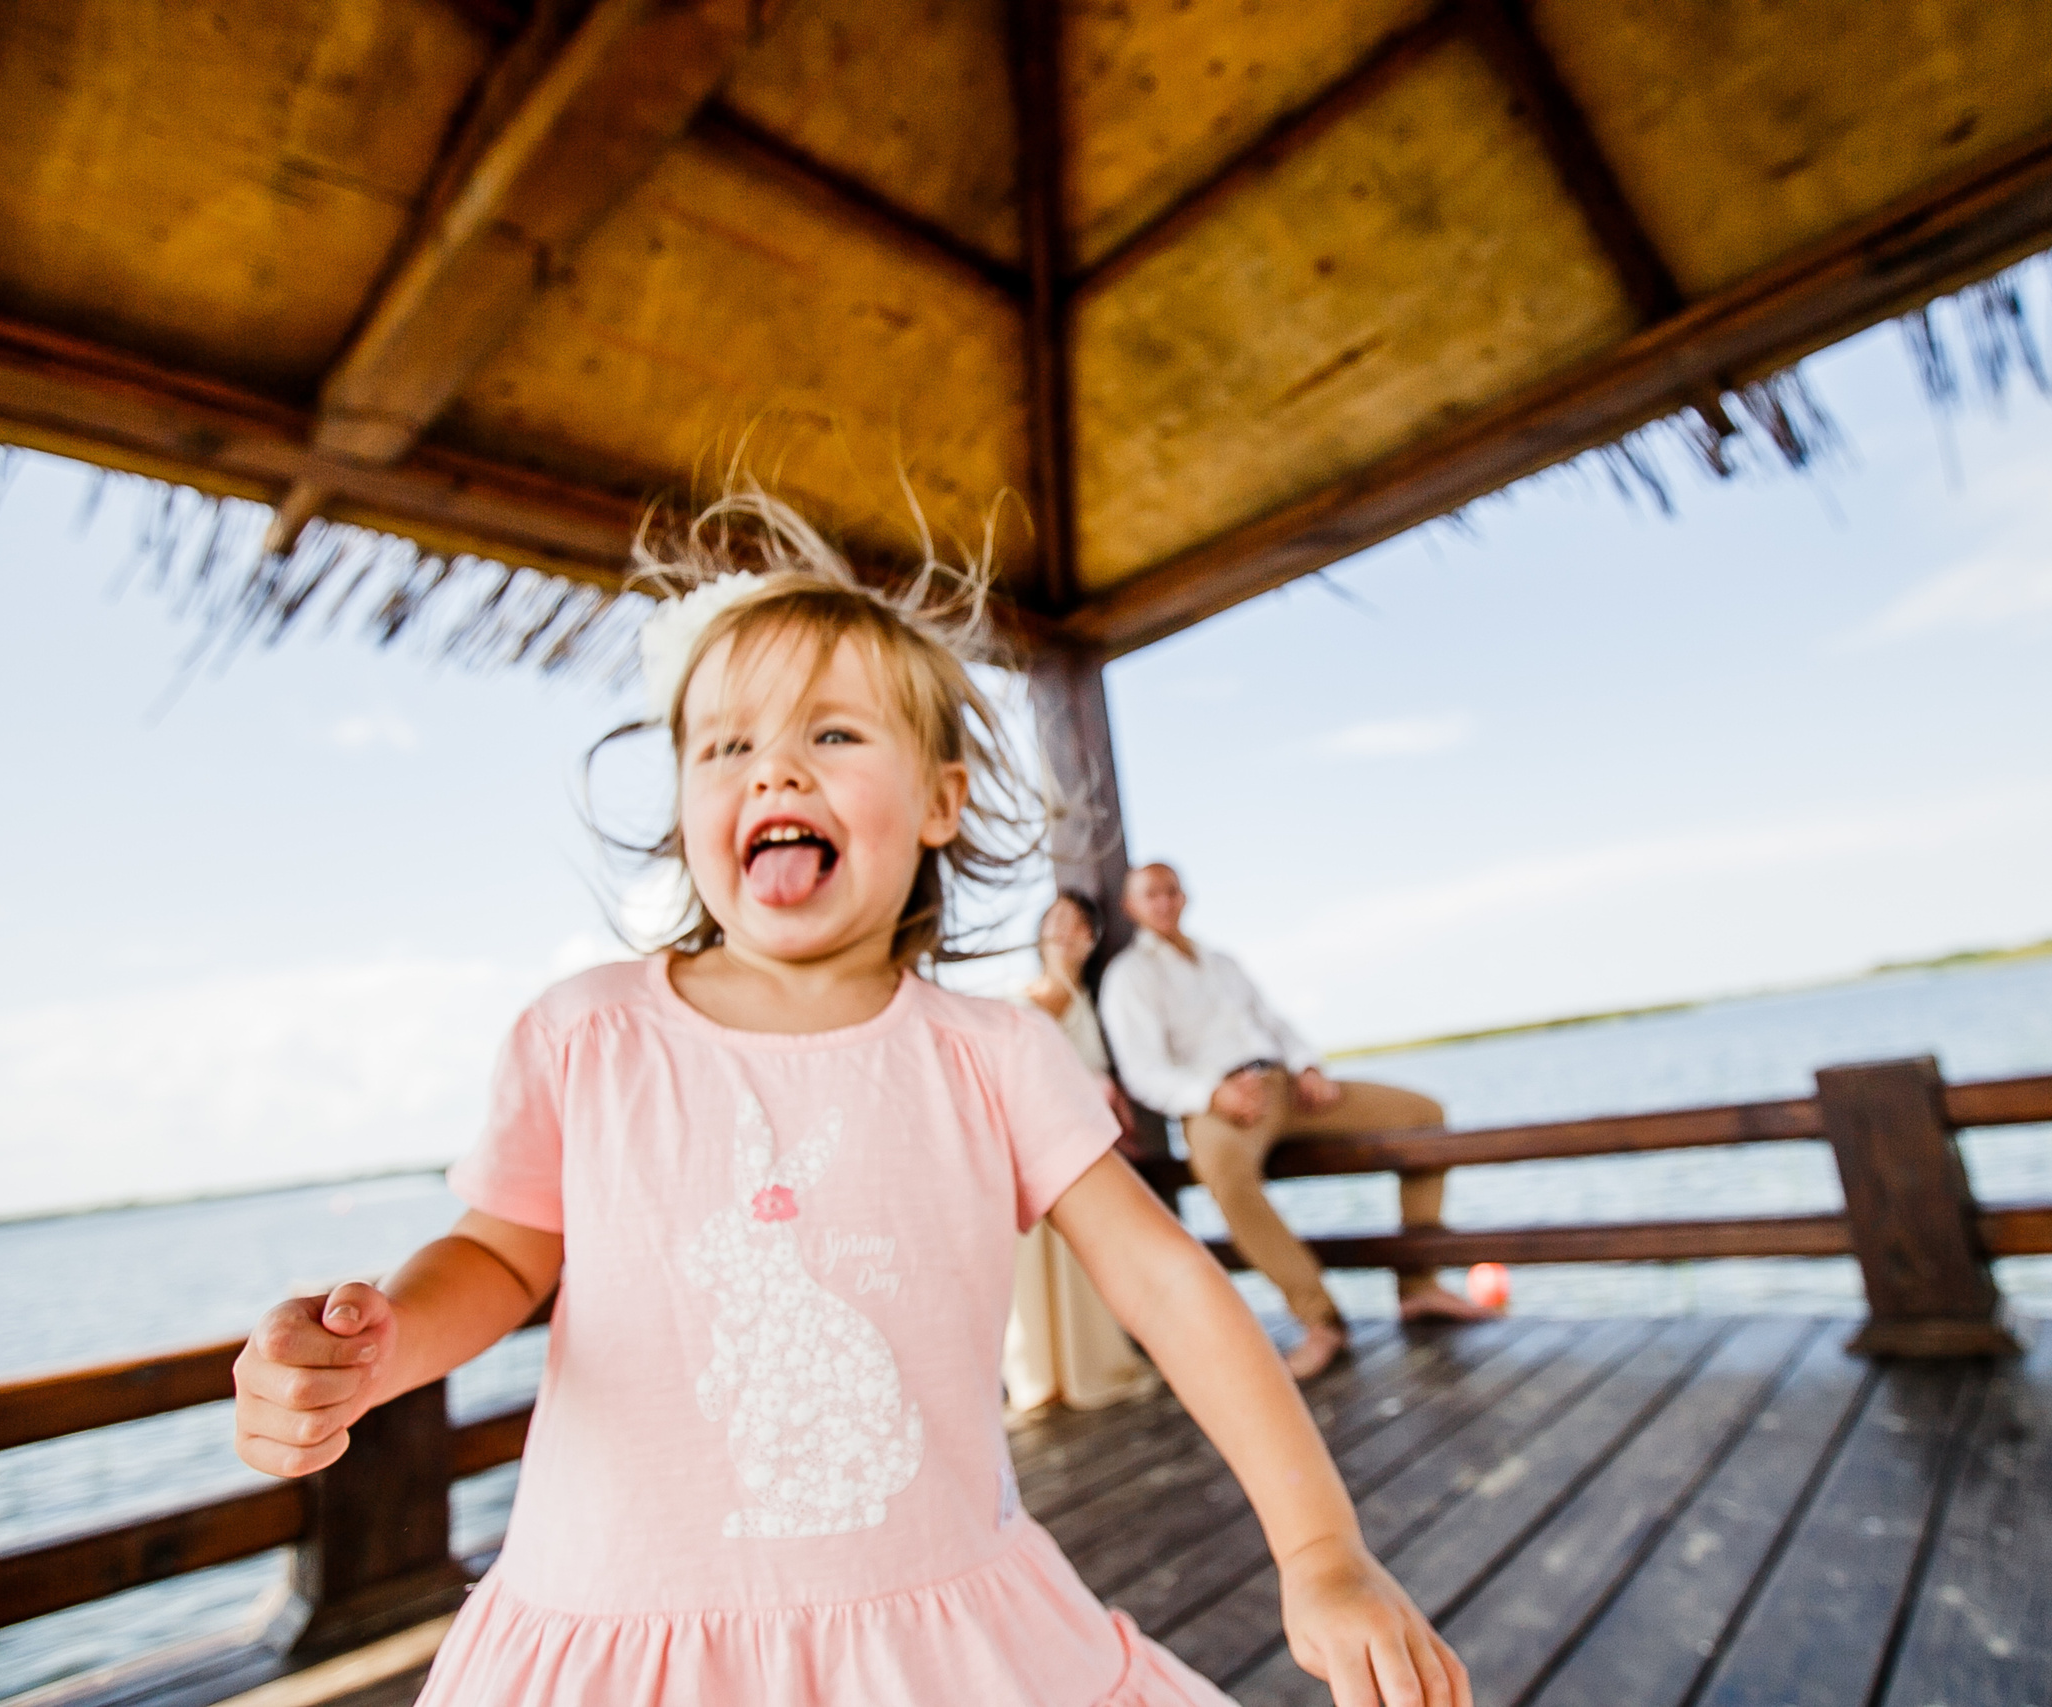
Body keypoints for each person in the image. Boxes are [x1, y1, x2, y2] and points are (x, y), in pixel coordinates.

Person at [230, 494, 1470, 1707]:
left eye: (831, 735)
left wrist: (1321, 1555)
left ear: (938, 802)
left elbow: (1163, 1282)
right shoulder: (587, 1033)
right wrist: (383, 1343)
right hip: (612, 1637)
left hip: (945, 1641)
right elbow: (500, 1258)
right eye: (724, 747)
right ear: (686, 810)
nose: (773, 767)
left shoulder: (993, 1054)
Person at [1100, 863, 1493, 1383]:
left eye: (1172, 891)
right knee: (1224, 1174)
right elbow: (1144, 1072)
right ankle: (1320, 1319)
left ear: (1185, 896)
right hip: (1219, 1100)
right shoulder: (1129, 977)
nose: (1164, 902)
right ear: (1132, 907)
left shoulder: (1222, 962)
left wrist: (1307, 1065)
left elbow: (1274, 1023)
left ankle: (1419, 1286)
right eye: (1151, 895)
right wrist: (1212, 1094)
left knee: (1424, 1114)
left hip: (1287, 1085)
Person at [1004, 890, 1153, 1412]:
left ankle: (1088, 1360)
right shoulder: (1016, 1003)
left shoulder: (1097, 1006)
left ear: (1091, 940)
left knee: (1084, 1253)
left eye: (1079, 926)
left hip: (1080, 1152)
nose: (1067, 934)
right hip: (1023, 1150)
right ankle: (1038, 1373)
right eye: (1056, 923)